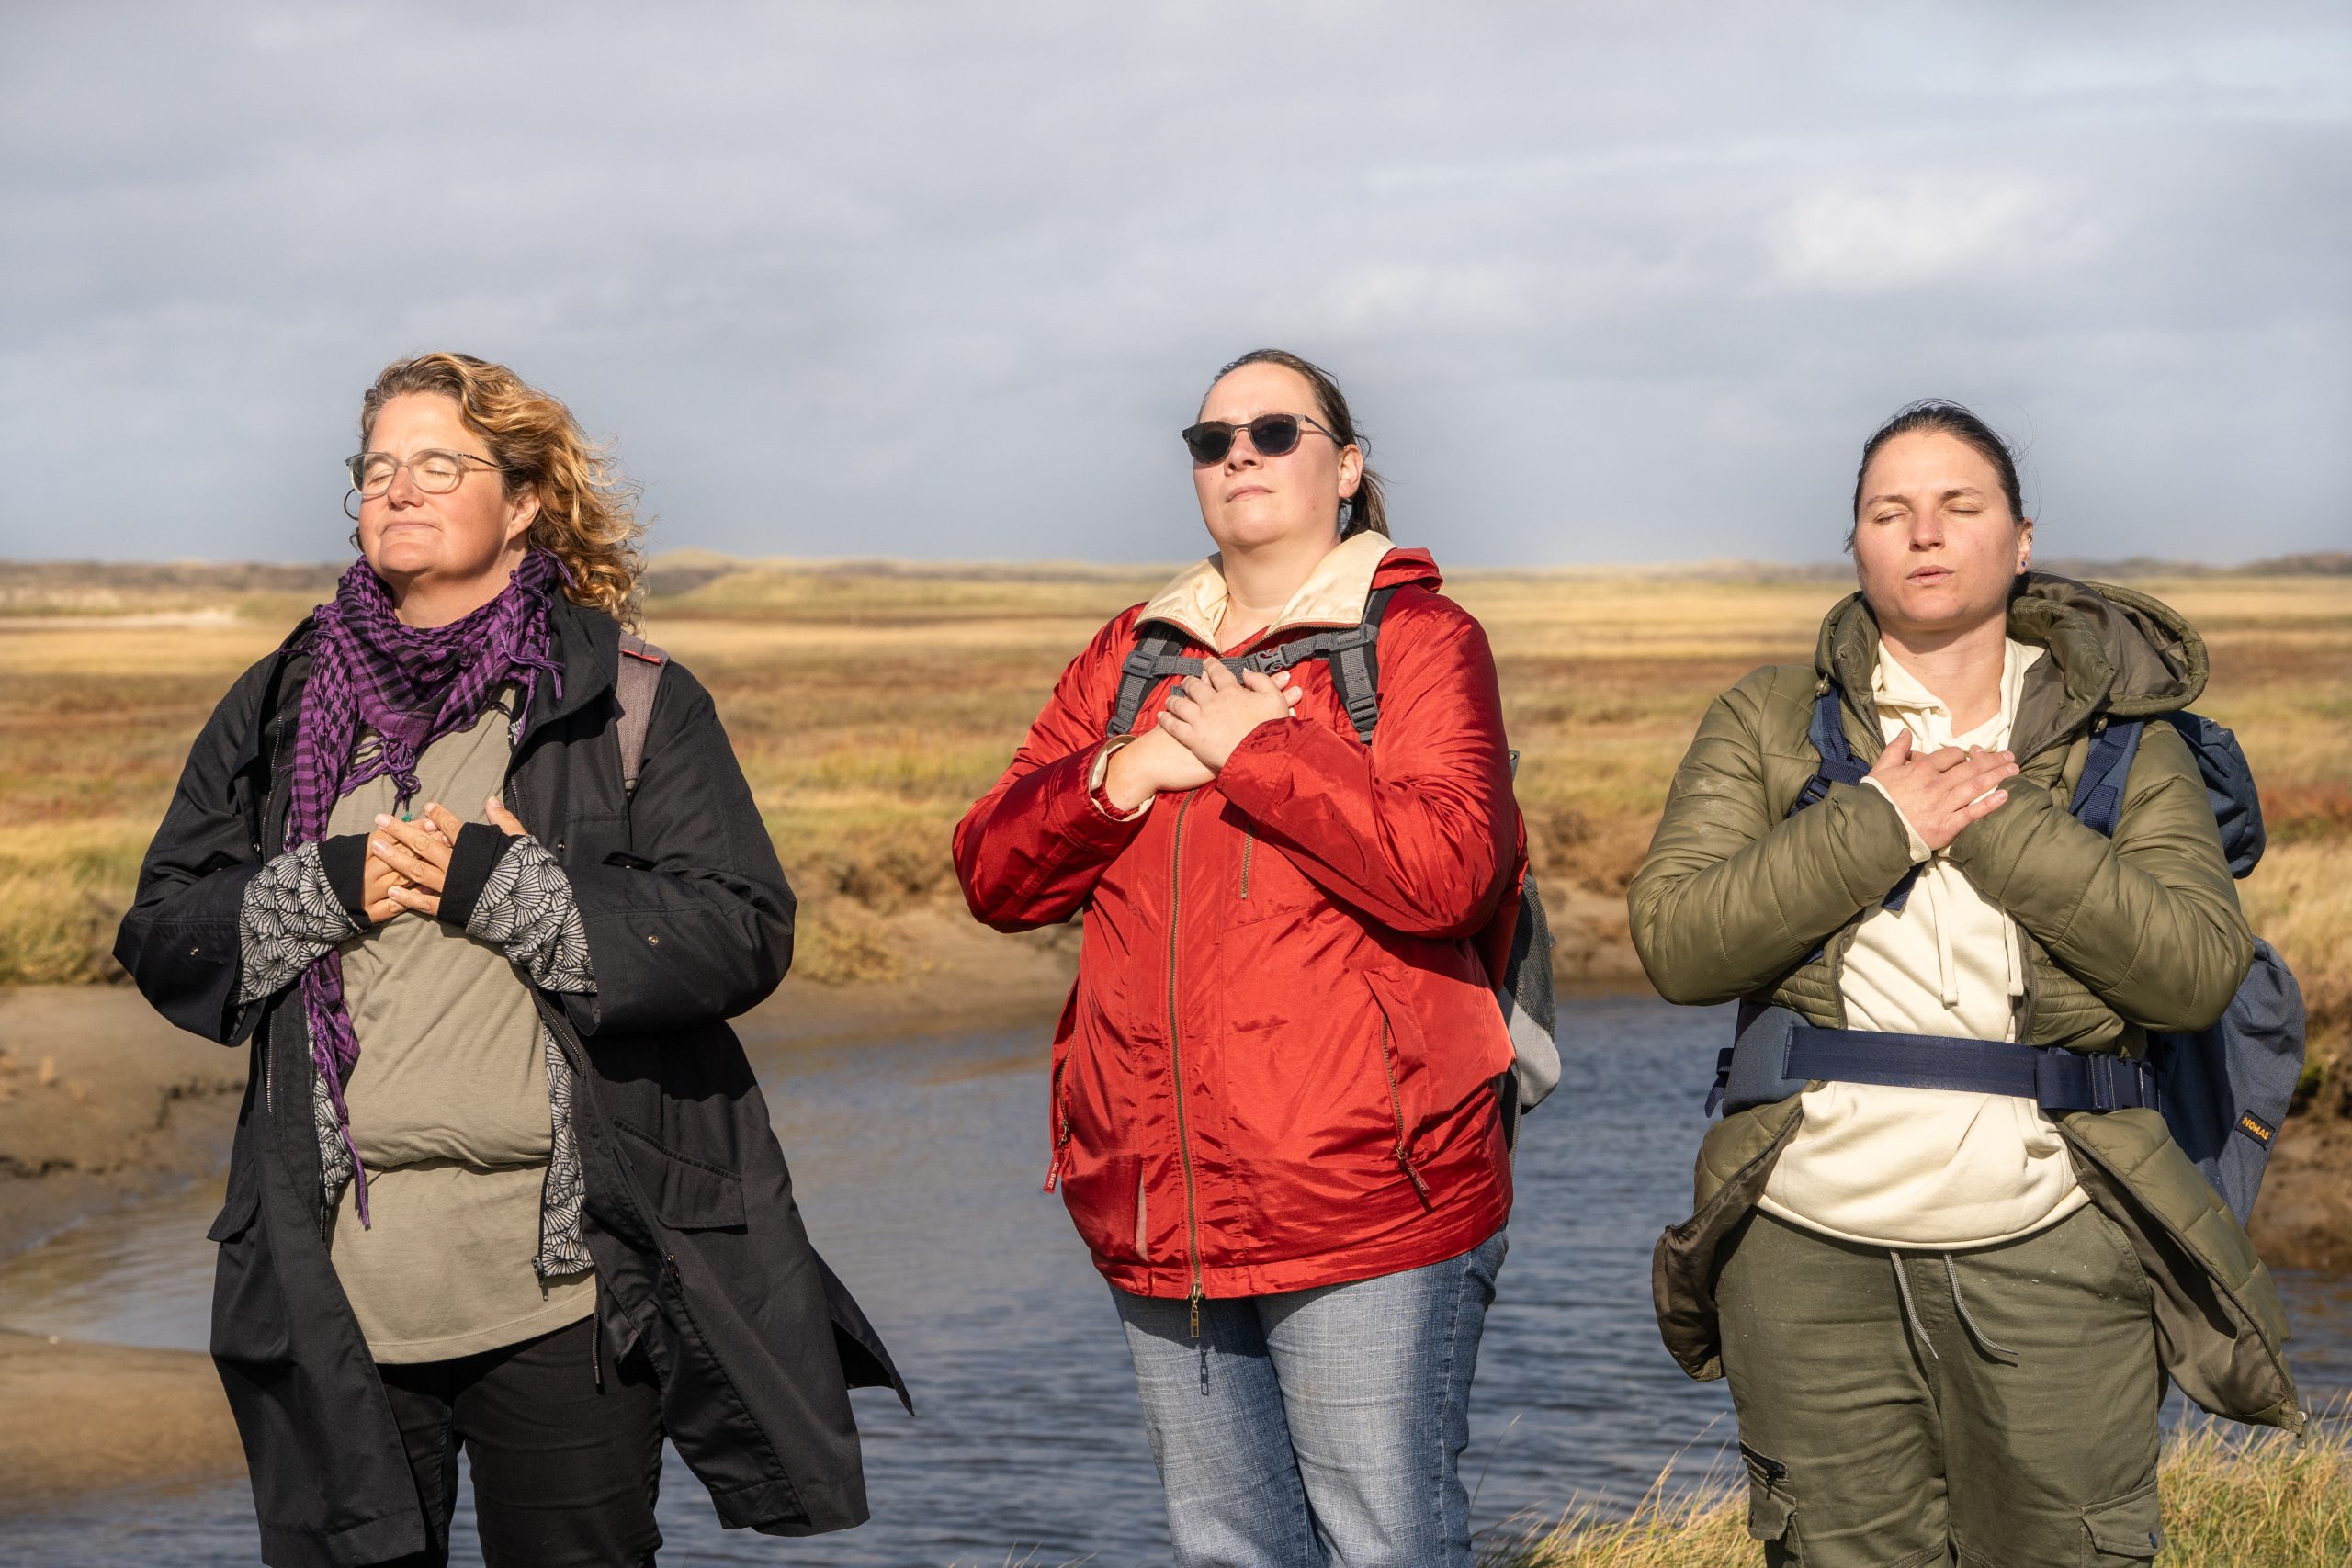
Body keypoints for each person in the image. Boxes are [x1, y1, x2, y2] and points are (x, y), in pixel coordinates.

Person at [116, 352, 903, 1568]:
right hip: (332, 1280)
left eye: (441, 464)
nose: (400, 487)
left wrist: (514, 891)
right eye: (379, 466)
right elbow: (165, 927)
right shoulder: (281, 701)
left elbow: (741, 927)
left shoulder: (625, 699)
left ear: (525, 499)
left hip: (568, 1284)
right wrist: (319, 889)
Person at [1631, 400, 2300, 1566]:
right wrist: (1879, 822)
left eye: (1959, 506)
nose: (1924, 533)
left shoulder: (2127, 737)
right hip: (1801, 1248)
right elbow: (1677, 942)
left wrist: (1990, 820)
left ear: (2022, 539)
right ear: (1855, 543)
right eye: (1888, 511)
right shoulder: (1764, 719)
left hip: (2060, 1238)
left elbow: (2196, 972)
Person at [955, 349, 1526, 1568]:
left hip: (1368, 1194)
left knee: (1386, 1542)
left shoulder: (1419, 640)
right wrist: (1121, 774)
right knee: (1229, 1550)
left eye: (1275, 432)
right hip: (1158, 1196)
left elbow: (1449, 873)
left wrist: (1259, 753)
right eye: (1212, 441)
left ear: (1347, 466)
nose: (1239, 457)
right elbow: (995, 877)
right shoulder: (1129, 655)